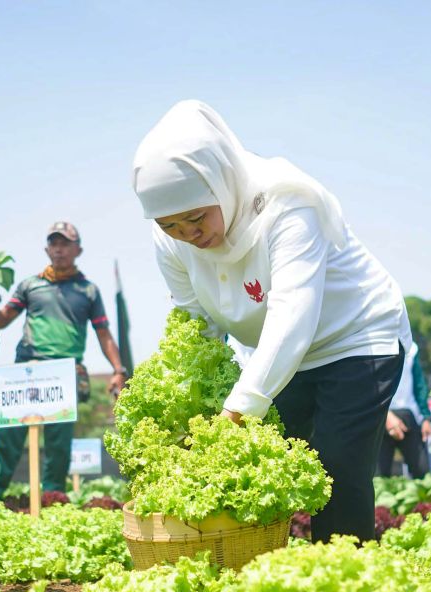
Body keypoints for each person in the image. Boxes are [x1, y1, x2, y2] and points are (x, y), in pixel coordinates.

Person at [132, 100, 407, 543]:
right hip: (278, 355)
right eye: (171, 225)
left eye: (196, 217)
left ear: (220, 183)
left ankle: (349, 582)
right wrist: (190, 404)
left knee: (336, 469)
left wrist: (238, 410)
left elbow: (292, 314)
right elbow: (195, 323)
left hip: (355, 339)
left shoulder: (288, 202)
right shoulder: (170, 241)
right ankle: (273, 583)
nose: (188, 234)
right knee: (259, 468)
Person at [0, 221, 127, 497]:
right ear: (46, 249)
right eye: (54, 243)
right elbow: (1, 321)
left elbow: (103, 332)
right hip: (26, 369)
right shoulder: (30, 285)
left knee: (59, 443)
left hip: (64, 373)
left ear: (78, 250)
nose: (59, 249)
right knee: (9, 434)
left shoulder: (88, 291)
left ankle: (52, 497)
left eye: (65, 244)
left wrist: (118, 369)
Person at [378, 341, 431, 479]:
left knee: (422, 474)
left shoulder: (411, 348)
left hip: (408, 414)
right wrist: (385, 414)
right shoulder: (369, 345)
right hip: (379, 416)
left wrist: (425, 417)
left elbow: (419, 385)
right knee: (378, 478)